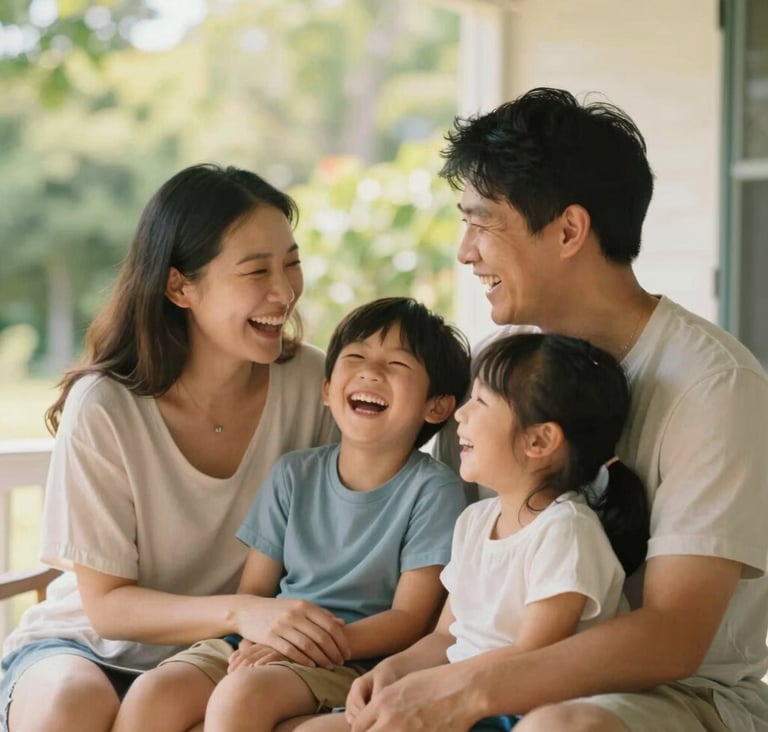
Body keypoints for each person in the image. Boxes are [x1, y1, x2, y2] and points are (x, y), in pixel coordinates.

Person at [345, 88, 768, 732]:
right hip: (501, 670)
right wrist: (406, 668)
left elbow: (673, 636)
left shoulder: (714, 385)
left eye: (483, 222)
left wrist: (465, 689)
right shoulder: (502, 362)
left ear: (569, 229)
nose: (465, 250)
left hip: (682, 693)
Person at [0, 163, 350, 732]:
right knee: (69, 710)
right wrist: (242, 609)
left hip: (227, 657)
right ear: (179, 286)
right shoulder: (105, 406)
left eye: (291, 263)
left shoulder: (318, 387)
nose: (284, 292)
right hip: (91, 649)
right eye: (256, 270)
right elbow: (107, 605)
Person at [112, 296, 470, 732]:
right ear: (326, 390)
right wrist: (270, 638)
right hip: (263, 639)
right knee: (152, 695)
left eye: (397, 365)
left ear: (437, 406)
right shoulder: (293, 475)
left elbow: (409, 620)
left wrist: (305, 644)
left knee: (240, 697)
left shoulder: (434, 491)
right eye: (355, 356)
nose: (370, 372)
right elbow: (257, 590)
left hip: (351, 659)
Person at [298, 332, 650, 732]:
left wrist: (430, 688)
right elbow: (447, 635)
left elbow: (531, 657)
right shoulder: (475, 521)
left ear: (539, 439)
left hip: (512, 706)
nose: (461, 415)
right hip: (454, 692)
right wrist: (390, 673)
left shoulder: (566, 532)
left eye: (480, 402)